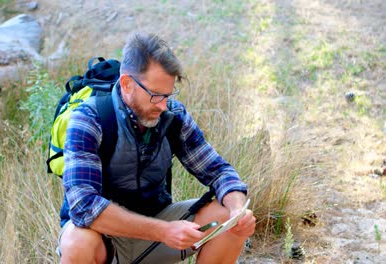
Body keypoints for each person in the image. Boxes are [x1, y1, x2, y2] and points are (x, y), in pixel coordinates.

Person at [57, 32, 256, 264]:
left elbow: (219, 172)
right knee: (77, 241)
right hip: (105, 239)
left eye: (168, 95)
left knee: (226, 219)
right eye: (155, 95)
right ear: (127, 83)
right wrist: (163, 231)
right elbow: (84, 206)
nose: (163, 105)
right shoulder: (89, 118)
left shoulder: (173, 116)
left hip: (156, 230)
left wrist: (238, 211)